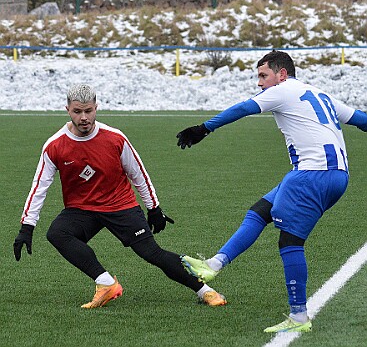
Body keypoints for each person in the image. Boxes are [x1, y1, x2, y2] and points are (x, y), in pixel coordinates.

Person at [176, 50, 367, 332]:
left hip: (311, 175)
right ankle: (213, 265)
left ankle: (299, 317)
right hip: (335, 176)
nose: (260, 83)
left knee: (290, 242)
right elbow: (361, 119)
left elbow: (243, 108)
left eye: (263, 76)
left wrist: (204, 128)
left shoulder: (283, 90)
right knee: (259, 212)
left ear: (282, 74)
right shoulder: (318, 94)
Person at [14, 83, 227, 309]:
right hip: (82, 209)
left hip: (119, 205)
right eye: (77, 112)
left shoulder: (114, 138)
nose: (84, 117)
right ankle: (105, 283)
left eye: (88, 111)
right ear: (67, 110)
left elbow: (138, 174)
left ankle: (205, 290)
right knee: (58, 233)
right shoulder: (54, 145)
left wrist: (154, 208)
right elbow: (39, 187)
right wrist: (26, 227)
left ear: (96, 108)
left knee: (151, 253)